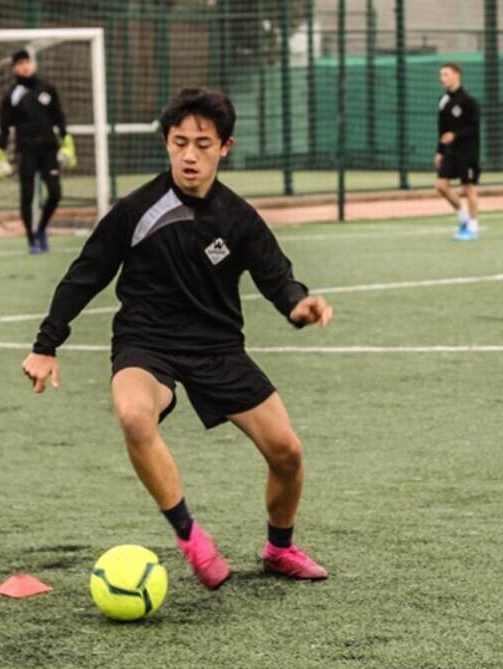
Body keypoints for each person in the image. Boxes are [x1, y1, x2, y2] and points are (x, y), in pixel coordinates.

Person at [21, 87, 333, 589]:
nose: (190, 155)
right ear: (167, 142)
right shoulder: (137, 209)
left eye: (203, 144)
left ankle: (280, 549)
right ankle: (190, 536)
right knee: (133, 414)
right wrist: (45, 344)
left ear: (225, 147)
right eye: (180, 141)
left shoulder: (238, 218)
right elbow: (85, 274)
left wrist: (300, 306)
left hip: (217, 348)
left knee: (287, 453)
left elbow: (278, 279)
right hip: (147, 342)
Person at [0, 50, 76, 254]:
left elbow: (59, 118)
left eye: (27, 62)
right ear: (14, 68)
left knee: (55, 193)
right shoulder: (11, 96)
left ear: (33, 64)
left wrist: (67, 143)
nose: (25, 66)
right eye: (20, 63)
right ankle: (31, 239)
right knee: (27, 197)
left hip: (49, 150)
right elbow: (4, 128)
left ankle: (41, 229)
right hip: (26, 151)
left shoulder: (48, 89)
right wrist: (0, 155)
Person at [434, 63, 481, 241]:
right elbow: (442, 129)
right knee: (441, 186)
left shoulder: (469, 101)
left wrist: (455, 135)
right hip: (450, 152)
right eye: (441, 75)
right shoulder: (443, 101)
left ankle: (473, 227)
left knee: (468, 187)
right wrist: (439, 151)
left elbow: (474, 128)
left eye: (446, 74)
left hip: (467, 151)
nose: (442, 79)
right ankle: (463, 217)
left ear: (456, 76)